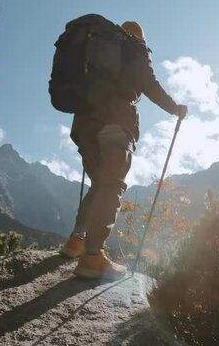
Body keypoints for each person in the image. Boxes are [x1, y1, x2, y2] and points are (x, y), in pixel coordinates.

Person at [59, 20, 188, 280]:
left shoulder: (95, 54)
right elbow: (148, 83)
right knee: (112, 184)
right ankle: (93, 256)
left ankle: (76, 241)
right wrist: (176, 108)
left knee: (99, 183)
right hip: (115, 122)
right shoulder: (134, 48)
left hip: (84, 125)